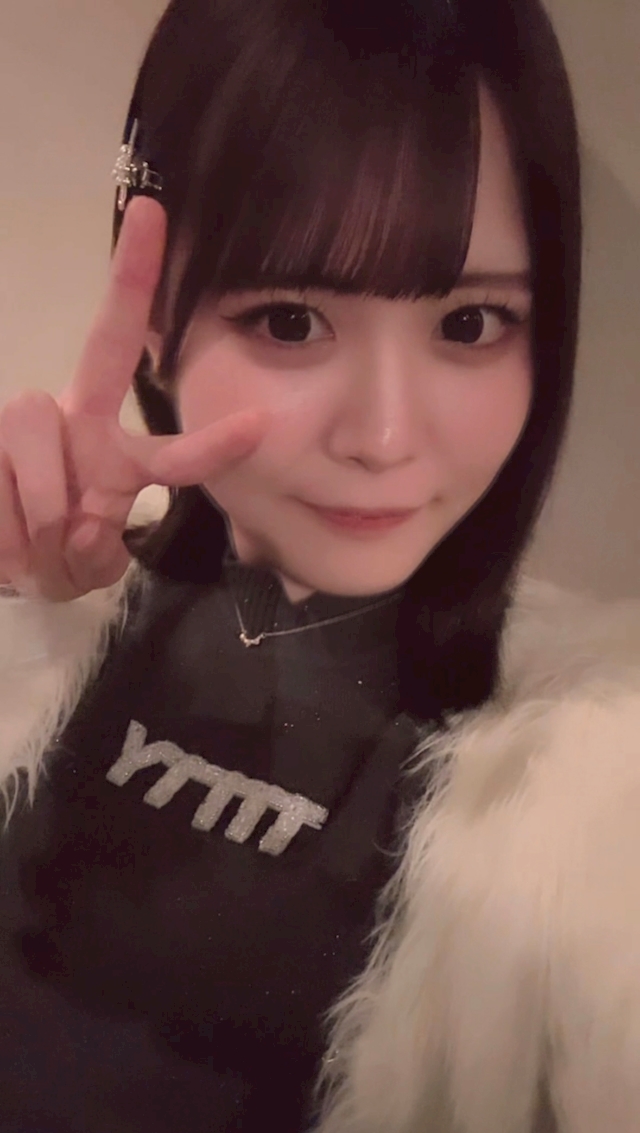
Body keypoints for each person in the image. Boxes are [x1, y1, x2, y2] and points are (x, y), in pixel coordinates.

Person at [0, 0, 639, 1130]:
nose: (384, 438)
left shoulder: (593, 781)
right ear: (154, 322)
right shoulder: (44, 616)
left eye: (471, 323)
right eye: (291, 320)